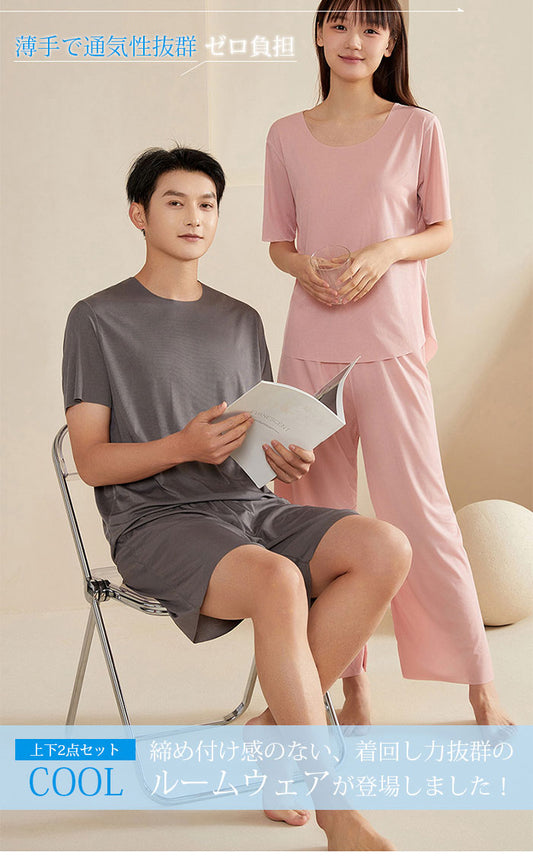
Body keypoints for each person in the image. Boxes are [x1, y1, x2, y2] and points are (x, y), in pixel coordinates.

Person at [62, 144, 412, 850]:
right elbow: (91, 462)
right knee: (278, 580)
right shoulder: (96, 318)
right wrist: (181, 447)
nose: (195, 217)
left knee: (385, 546)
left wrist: (283, 451)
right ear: (138, 214)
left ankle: (274, 730)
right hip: (155, 522)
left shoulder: (242, 318)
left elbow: (251, 435)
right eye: (175, 202)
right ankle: (333, 808)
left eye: (208, 204)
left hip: (250, 509)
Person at [262, 0, 512, 727]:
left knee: (420, 513)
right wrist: (303, 268)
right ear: (319, 33)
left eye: (372, 27)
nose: (354, 39)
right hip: (310, 344)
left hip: (391, 341)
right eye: (340, 24)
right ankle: (349, 690)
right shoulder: (285, 135)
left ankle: (480, 687)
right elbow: (278, 242)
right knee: (314, 520)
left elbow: (441, 229)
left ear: (390, 42)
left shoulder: (416, 128)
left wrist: (387, 251)